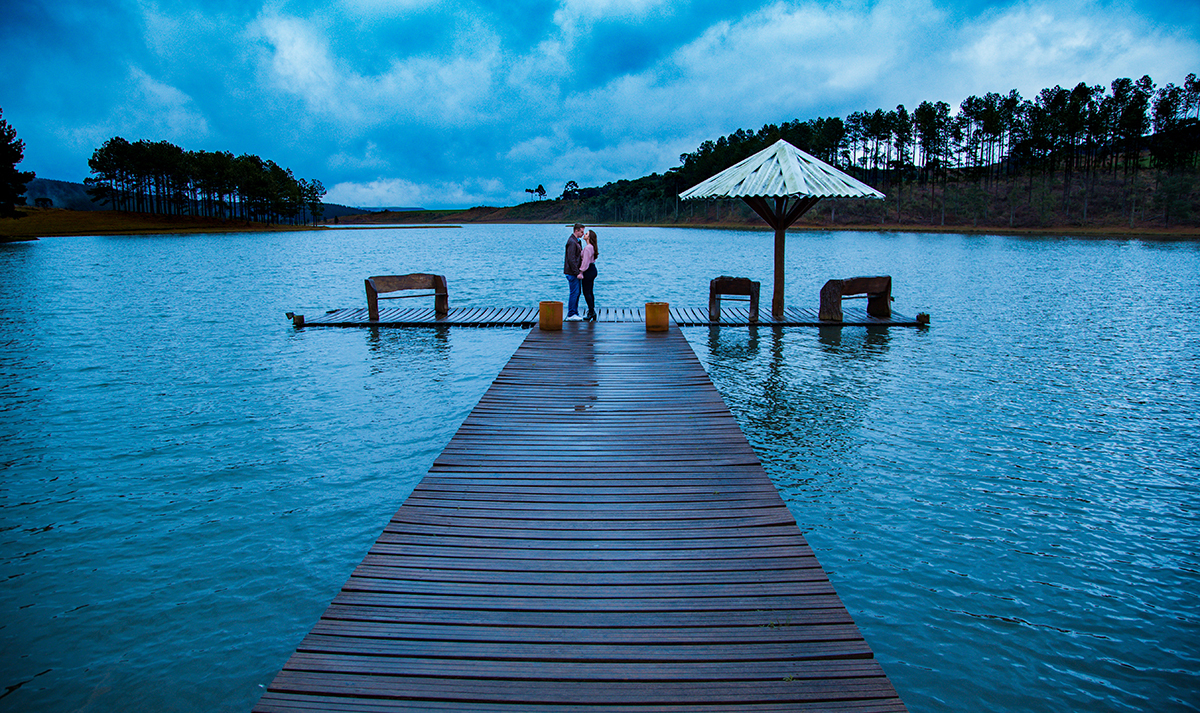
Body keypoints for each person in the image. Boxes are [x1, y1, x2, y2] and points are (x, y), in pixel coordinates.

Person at [563, 223, 584, 320]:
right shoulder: (572, 242)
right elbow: (571, 259)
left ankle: (575, 312)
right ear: (576, 230)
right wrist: (577, 272)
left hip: (574, 272)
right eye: (581, 232)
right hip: (572, 273)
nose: (583, 234)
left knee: (577, 292)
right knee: (574, 293)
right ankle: (571, 313)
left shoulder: (577, 241)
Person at [579, 229, 599, 321]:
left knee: (586, 292)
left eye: (586, 234)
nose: (584, 234)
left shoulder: (588, 248)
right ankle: (592, 310)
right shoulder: (591, 247)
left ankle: (591, 311)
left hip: (588, 270)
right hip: (592, 269)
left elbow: (585, 262)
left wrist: (581, 272)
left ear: (589, 237)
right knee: (590, 291)